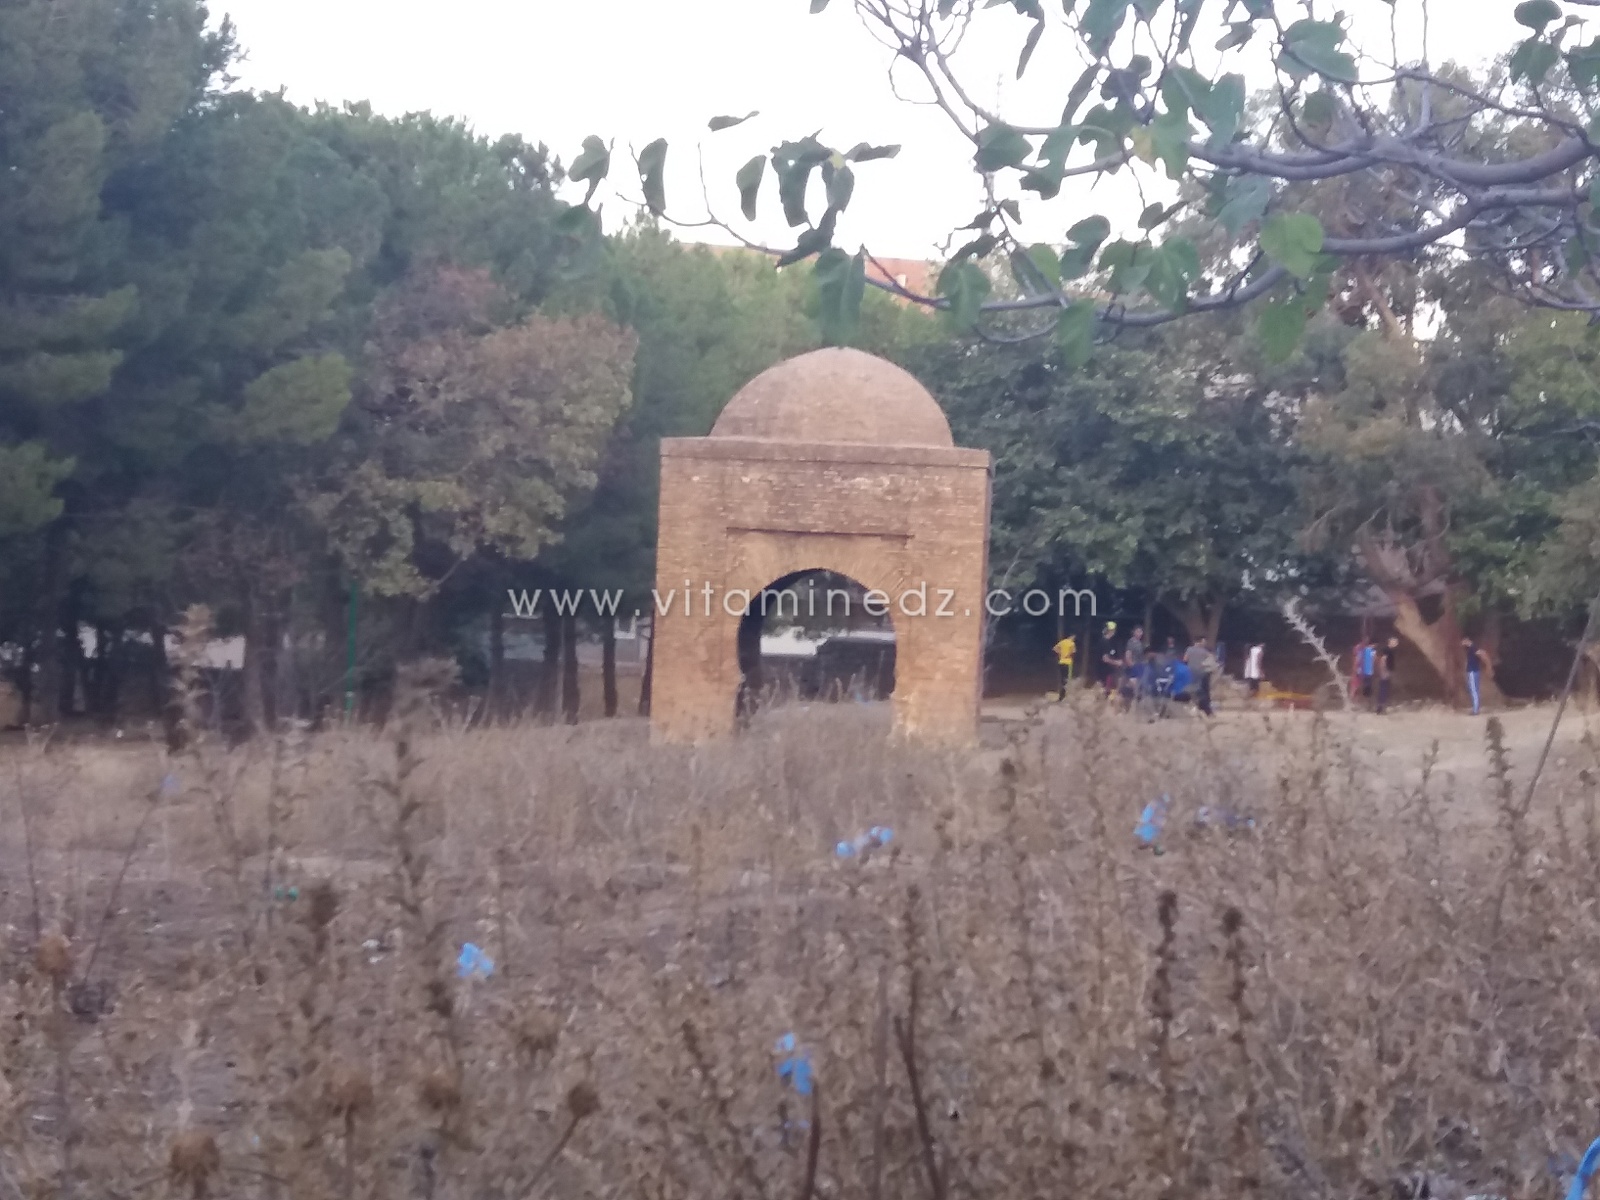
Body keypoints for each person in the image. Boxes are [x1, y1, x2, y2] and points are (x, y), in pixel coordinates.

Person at [1184, 636, 1216, 716]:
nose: (1204, 643)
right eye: (1203, 642)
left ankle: (1194, 707)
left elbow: (1185, 659)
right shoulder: (1205, 651)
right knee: (1204, 692)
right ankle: (1207, 710)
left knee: (1192, 690)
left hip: (1191, 673)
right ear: (1199, 642)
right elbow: (1212, 661)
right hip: (1202, 674)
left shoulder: (1189, 649)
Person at [1463, 636, 1486, 715]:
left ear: (1467, 640)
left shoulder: (1473, 648)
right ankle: (1476, 708)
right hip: (1475, 670)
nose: (1462, 643)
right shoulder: (1472, 648)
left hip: (1472, 671)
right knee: (1474, 689)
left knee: (1473, 690)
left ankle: (1475, 710)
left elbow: (1480, 653)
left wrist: (1484, 660)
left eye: (1464, 641)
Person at [1376, 636, 1399, 713]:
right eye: (1395, 642)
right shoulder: (1387, 650)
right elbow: (1383, 660)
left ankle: (1382, 706)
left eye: (1396, 642)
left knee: (1385, 688)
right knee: (1384, 688)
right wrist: (1383, 671)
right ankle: (1381, 707)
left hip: (1386, 670)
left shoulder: (1390, 650)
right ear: (1390, 642)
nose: (1396, 644)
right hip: (1385, 671)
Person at [1053, 633, 1076, 700]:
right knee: (1068, 679)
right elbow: (1073, 652)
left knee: (1062, 679)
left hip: (1061, 662)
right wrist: (1068, 655)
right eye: (1074, 637)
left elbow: (1055, 649)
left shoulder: (1062, 642)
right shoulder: (1072, 643)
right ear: (1071, 636)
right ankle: (1065, 695)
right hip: (1068, 662)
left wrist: (1060, 654)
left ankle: (1061, 694)